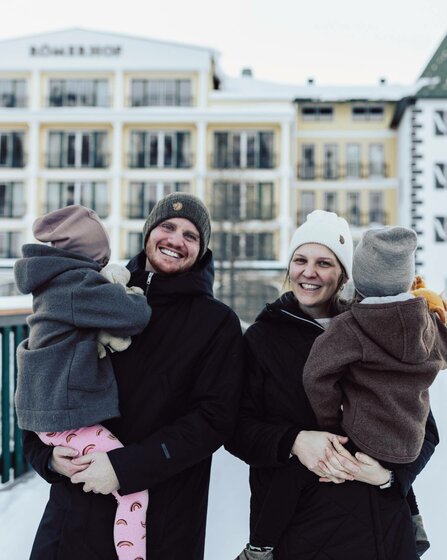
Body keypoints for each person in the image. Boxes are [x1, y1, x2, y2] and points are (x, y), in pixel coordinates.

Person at [22, 192, 244, 560]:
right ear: (147, 234)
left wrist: (124, 468)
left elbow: (214, 419)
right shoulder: (97, 293)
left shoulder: (216, 322)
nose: (176, 240)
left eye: (191, 236)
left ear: (201, 251)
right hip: (73, 513)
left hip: (162, 517)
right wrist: (45, 457)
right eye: (167, 227)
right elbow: (43, 374)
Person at [227, 210, 439, 560]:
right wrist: (294, 441)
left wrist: (389, 477)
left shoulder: (381, 330)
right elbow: (235, 428)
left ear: (343, 274)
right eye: (300, 260)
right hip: (300, 531)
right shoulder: (261, 339)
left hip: (383, 529)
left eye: (324, 262)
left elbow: (423, 428)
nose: (309, 272)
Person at [14, 205, 151, 560]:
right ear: (89, 257)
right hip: (68, 420)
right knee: (134, 493)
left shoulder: (51, 282)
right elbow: (134, 315)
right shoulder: (77, 285)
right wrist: (132, 292)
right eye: (101, 259)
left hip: (52, 420)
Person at [303, 225, 447, 557]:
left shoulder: (349, 327)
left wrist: (329, 420)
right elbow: (441, 354)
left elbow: (315, 375)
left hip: (362, 436)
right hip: (410, 443)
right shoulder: (425, 320)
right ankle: (413, 518)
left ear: (360, 277)